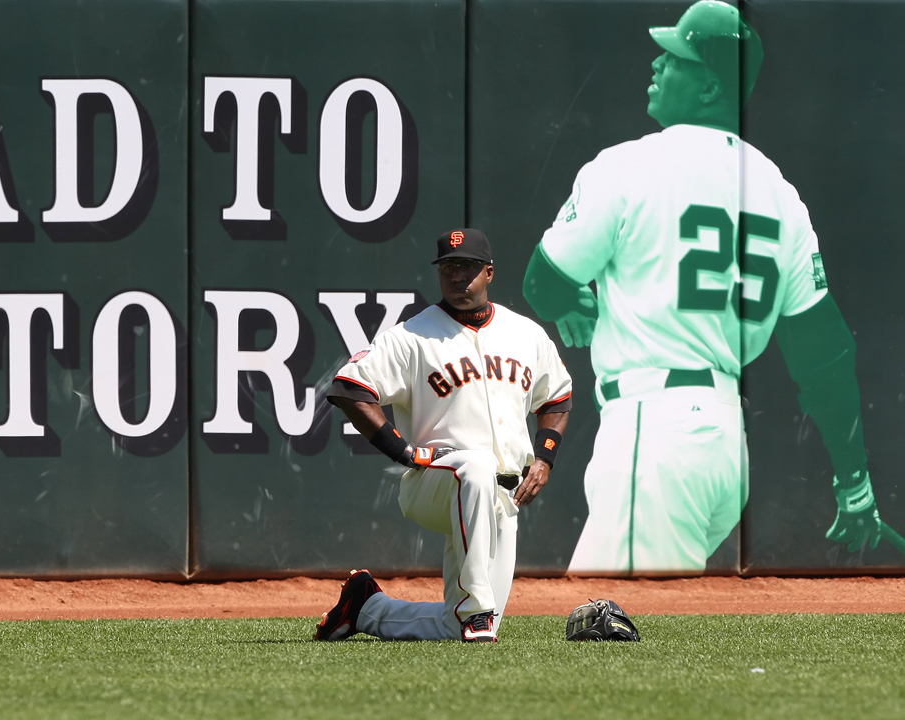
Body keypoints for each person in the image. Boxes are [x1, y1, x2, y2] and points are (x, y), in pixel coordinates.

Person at [522, 0, 884, 574]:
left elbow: (542, 279)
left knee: (605, 634)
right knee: (639, 644)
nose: (658, 64)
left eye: (677, 56)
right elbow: (827, 355)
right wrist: (855, 483)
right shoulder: (780, 193)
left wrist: (574, 303)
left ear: (713, 88)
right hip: (722, 446)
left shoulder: (628, 166)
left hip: (656, 435)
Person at [316, 228, 572, 642]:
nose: (458, 277)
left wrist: (544, 458)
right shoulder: (411, 336)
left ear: (489, 273)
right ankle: (475, 608)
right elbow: (349, 388)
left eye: (468, 267)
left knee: (459, 629)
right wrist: (401, 452)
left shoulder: (526, 334)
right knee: (475, 464)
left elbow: (556, 398)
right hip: (437, 480)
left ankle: (367, 607)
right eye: (449, 267)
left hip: (503, 498)